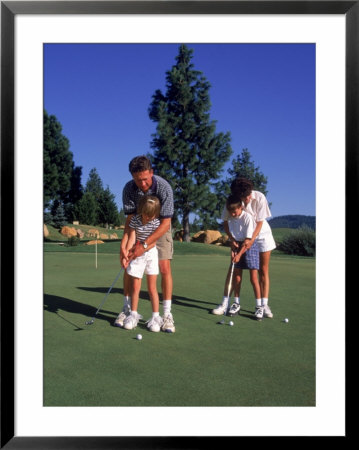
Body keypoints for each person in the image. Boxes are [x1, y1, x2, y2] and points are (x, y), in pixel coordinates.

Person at [114, 155, 176, 332]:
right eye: (137, 180)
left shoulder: (164, 187)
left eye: (145, 179)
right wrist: (123, 248)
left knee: (164, 268)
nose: (142, 184)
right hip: (137, 229)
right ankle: (127, 310)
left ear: (151, 172)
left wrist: (145, 245)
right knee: (129, 268)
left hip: (160, 228)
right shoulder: (129, 188)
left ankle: (166, 315)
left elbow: (165, 223)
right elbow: (130, 222)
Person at [221, 177, 276, 320]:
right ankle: (225, 303)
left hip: (262, 236)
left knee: (262, 271)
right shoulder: (233, 201)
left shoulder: (259, 198)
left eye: (249, 194)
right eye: (245, 196)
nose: (249, 197)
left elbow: (259, 222)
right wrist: (233, 240)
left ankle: (264, 305)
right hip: (240, 238)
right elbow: (226, 220)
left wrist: (251, 239)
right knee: (234, 270)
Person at [212, 195, 262, 320]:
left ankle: (259, 306)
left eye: (235, 211)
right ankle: (236, 303)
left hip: (249, 245)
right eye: (230, 212)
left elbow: (248, 241)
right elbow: (230, 231)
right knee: (237, 277)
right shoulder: (231, 217)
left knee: (253, 278)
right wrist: (233, 245)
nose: (233, 214)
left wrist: (239, 254)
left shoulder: (248, 218)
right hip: (238, 243)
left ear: (241, 207)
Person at [121, 196, 163, 332]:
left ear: (155, 215)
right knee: (135, 286)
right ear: (141, 211)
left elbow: (154, 242)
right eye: (145, 215)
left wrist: (142, 249)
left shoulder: (156, 223)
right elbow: (132, 237)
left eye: (150, 216)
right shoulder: (135, 220)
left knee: (152, 288)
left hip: (150, 254)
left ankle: (156, 318)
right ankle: (133, 315)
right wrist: (127, 253)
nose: (147, 218)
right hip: (137, 255)